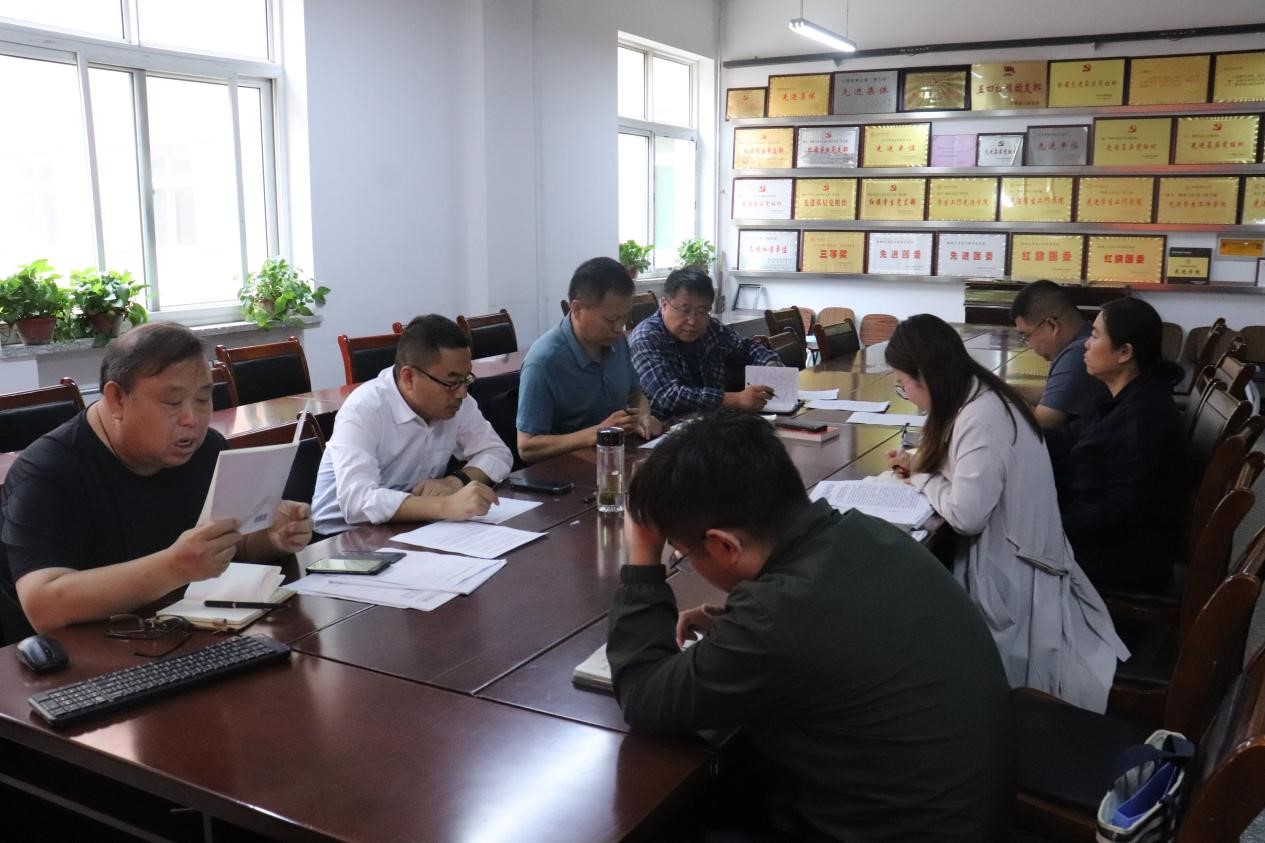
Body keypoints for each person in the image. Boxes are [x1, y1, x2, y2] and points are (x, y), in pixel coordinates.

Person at [608, 411, 1013, 842]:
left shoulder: (775, 618)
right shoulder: (865, 532)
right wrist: (732, 625)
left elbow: (643, 696)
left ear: (724, 545)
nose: (682, 561)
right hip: (968, 811)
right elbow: (838, 626)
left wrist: (643, 554)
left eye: (682, 554)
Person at [0, 323, 312, 641]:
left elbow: (228, 547)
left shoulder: (207, 449)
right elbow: (43, 606)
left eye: (203, 399)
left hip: (174, 635)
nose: (192, 419)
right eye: (172, 403)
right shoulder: (46, 472)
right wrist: (174, 567)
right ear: (117, 399)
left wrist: (271, 538)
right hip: (77, 656)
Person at [884, 314, 1128, 713]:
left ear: (924, 377)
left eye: (903, 383)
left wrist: (923, 476)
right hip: (1018, 556)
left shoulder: (979, 415)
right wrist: (922, 463)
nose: (905, 394)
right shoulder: (980, 395)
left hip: (1015, 580)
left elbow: (966, 516)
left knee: (907, 607)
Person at [311, 314, 512, 535]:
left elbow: (497, 452)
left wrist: (455, 482)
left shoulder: (456, 402)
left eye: (466, 379)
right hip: (343, 537)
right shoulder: (364, 409)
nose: (462, 392)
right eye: (451, 382)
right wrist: (445, 506)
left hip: (409, 527)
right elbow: (357, 502)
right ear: (408, 378)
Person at [1045, 298, 1188, 593]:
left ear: (1124, 352)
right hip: (1093, 527)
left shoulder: (1142, 416)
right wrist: (1015, 436)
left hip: (1120, 557)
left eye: (1095, 335)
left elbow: (1121, 511)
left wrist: (1050, 523)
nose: (1086, 344)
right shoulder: (1118, 394)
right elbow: (1071, 437)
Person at [516, 256, 662, 463]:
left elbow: (636, 393)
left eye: (624, 318)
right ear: (577, 309)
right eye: (611, 319)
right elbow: (527, 447)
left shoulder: (617, 342)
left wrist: (643, 417)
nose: (619, 328)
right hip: (567, 471)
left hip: (615, 458)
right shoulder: (544, 362)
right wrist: (596, 433)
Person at [628, 267, 782, 417]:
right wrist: (736, 399)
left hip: (712, 423)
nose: (692, 321)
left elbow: (746, 349)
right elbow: (669, 395)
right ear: (664, 304)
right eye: (684, 310)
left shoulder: (711, 328)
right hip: (667, 428)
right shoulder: (646, 338)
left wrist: (771, 366)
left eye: (702, 311)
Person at [1009, 280, 1108, 428]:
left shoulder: (1078, 353)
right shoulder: (1083, 338)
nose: (1028, 345)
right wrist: (1005, 390)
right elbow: (1054, 394)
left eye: (1026, 336)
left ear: (1051, 325)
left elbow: (1041, 422)